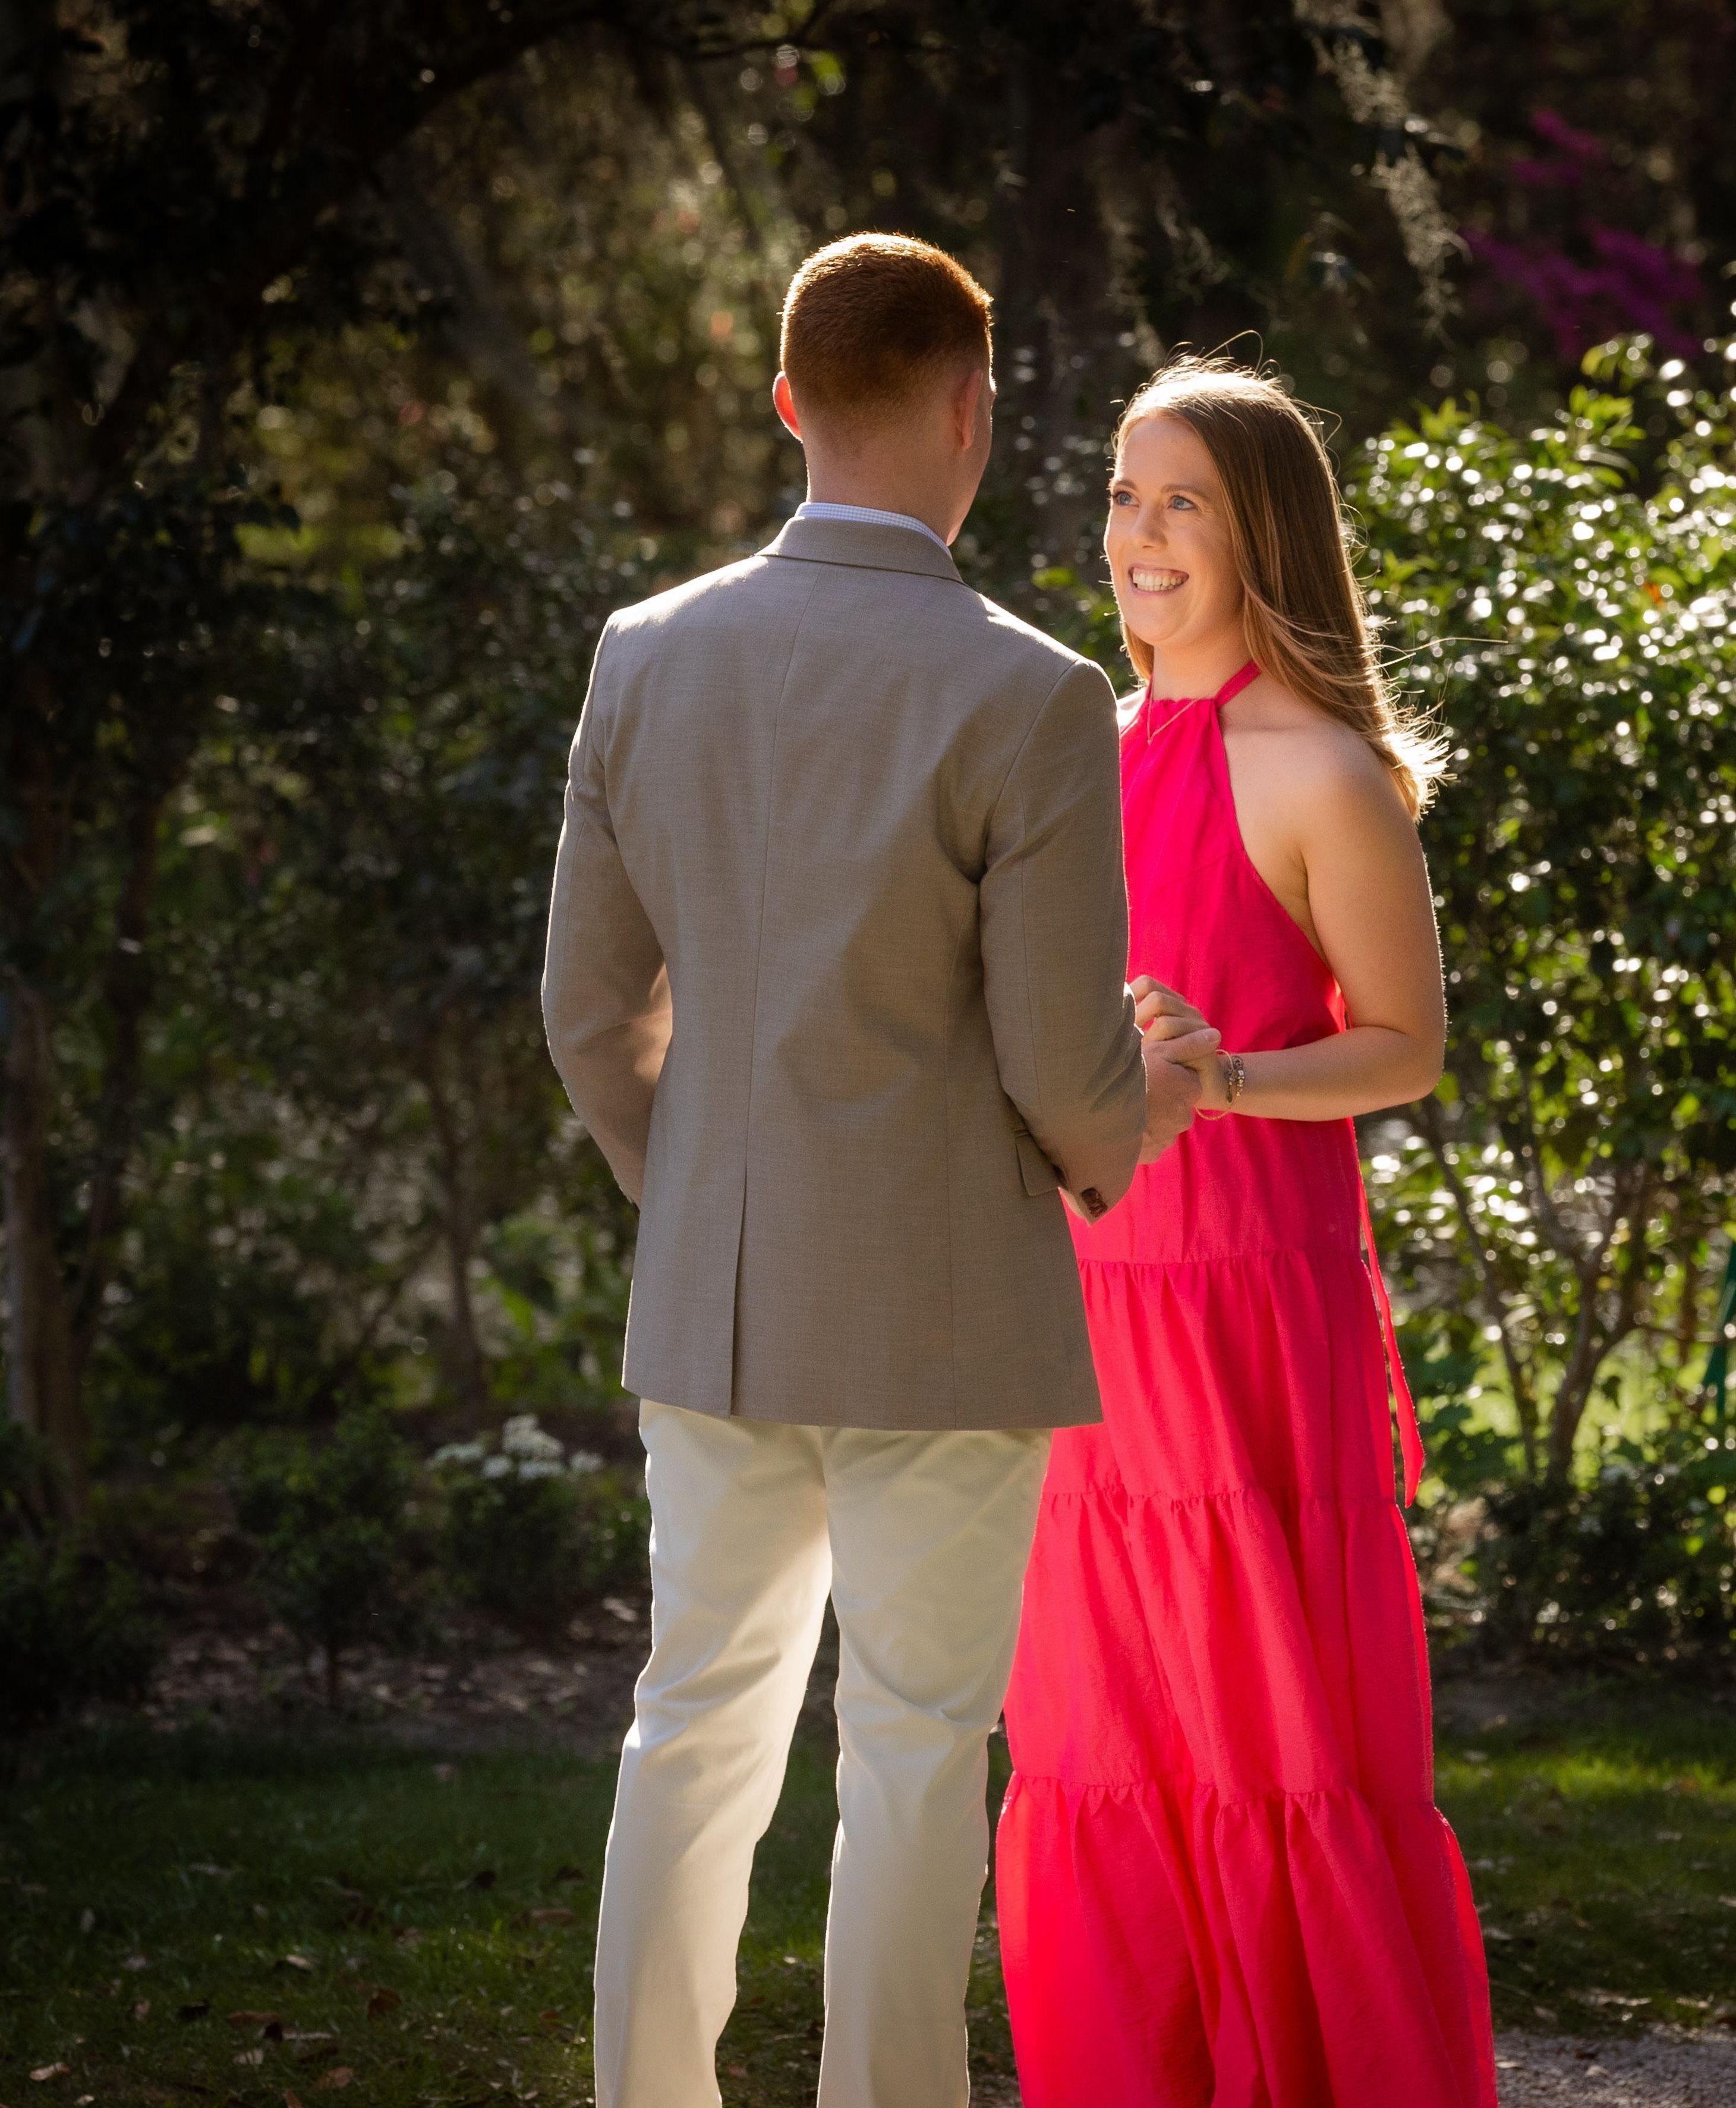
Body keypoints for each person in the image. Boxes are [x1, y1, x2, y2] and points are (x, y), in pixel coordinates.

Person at [541, 234, 1214, 2108]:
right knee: (916, 1748)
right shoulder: (1030, 692)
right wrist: (1156, 1092)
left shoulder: (643, 652)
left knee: (689, 1726)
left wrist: (695, 1198)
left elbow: (587, 1013)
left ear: (787, 402)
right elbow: (1064, 1075)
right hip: (944, 1310)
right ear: (970, 408)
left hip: (716, 1298)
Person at [997, 357, 1500, 2108]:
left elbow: (1406, 1044)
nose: (1139, 535)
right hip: (1084, 1311)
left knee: (1273, 1740)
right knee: (1099, 1739)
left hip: (1248, 1319)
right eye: (1125, 496)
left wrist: (1223, 1085)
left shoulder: (1317, 769)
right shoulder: (1072, 756)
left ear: (1261, 532)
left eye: (1183, 503)